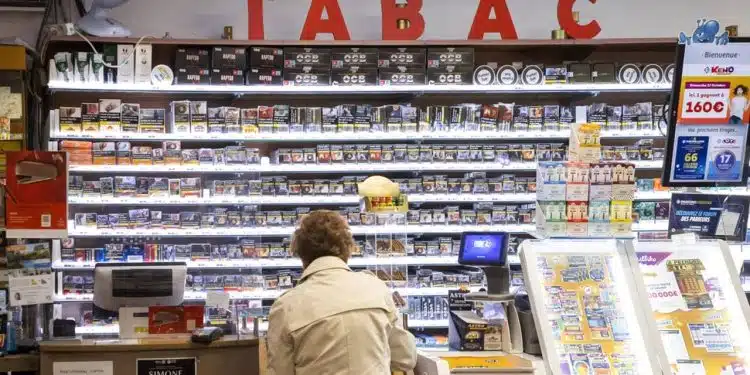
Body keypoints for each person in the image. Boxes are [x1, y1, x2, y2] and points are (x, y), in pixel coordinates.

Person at [267, 210, 417, 375]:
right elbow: (406, 358)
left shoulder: (286, 307)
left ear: (302, 256)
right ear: (348, 250)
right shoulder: (376, 289)